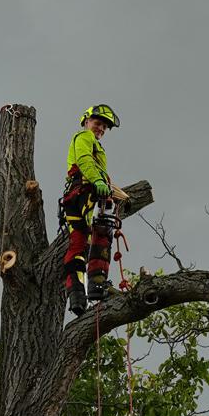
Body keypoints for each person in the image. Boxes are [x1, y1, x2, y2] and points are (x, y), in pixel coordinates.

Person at [61, 104, 121, 316]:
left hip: (73, 197)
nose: (100, 129)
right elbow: (85, 159)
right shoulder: (84, 137)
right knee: (103, 229)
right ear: (86, 121)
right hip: (86, 192)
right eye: (98, 123)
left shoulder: (89, 141)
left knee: (78, 245)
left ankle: (76, 295)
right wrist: (97, 180)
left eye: (104, 127)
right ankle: (96, 285)